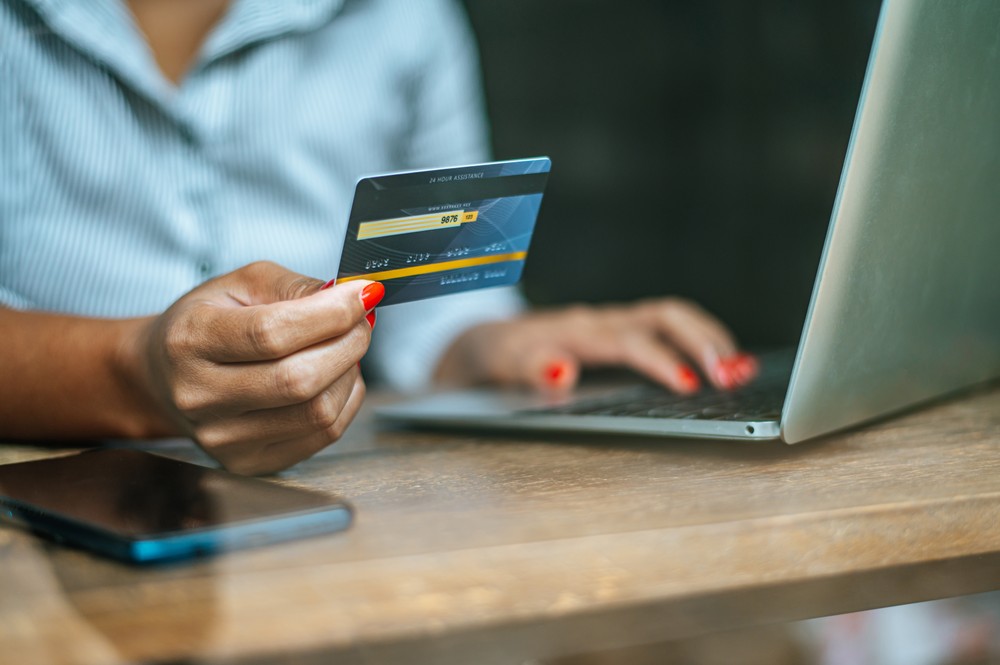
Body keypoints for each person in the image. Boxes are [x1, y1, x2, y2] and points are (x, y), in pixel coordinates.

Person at [0, 0, 758, 474]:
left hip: (338, 504)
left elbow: (433, 314)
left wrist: (494, 344)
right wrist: (137, 370)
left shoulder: (407, 16)